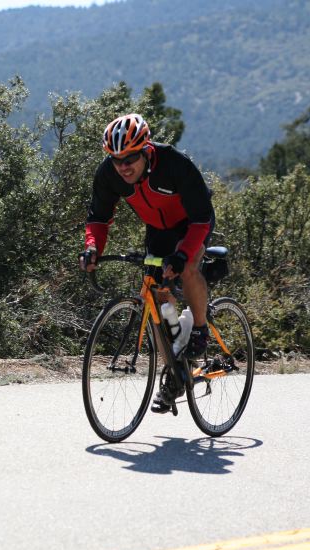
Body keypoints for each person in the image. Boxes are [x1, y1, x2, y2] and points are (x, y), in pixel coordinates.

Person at [79, 113, 215, 413]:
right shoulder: (109, 174)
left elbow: (201, 217)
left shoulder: (173, 164)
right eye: (116, 159)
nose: (123, 166)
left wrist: (181, 255)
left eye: (130, 157)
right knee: (155, 294)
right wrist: (92, 248)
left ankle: (200, 330)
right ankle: (175, 368)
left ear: (146, 150)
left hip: (193, 223)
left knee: (188, 264)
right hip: (158, 230)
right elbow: (99, 218)